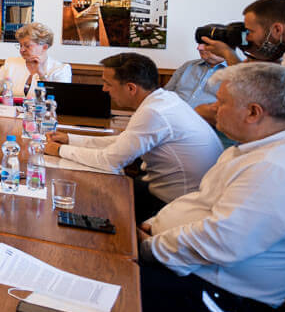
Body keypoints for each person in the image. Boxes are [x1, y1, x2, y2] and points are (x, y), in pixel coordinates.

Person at [140, 63, 285, 312]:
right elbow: (202, 205)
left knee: (105, 280)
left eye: (222, 101)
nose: (214, 108)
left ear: (253, 112)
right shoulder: (256, 150)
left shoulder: (279, 169)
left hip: (223, 294)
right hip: (191, 265)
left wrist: (147, 247)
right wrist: (154, 225)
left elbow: (220, 243)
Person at [45, 52, 222, 213]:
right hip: (176, 193)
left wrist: (59, 150)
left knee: (85, 199)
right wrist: (69, 139)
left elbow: (110, 162)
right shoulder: (164, 100)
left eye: (108, 84)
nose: (104, 89)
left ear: (131, 88)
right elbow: (123, 142)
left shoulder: (154, 112)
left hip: (173, 204)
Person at [0, 21, 72, 100]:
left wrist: (41, 74)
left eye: (27, 46)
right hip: (11, 115)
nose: (22, 50)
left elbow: (58, 100)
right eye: (20, 45)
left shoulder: (61, 69)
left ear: (44, 47)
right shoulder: (11, 63)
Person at [166, 40, 230, 109]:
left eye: (206, 44)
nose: (199, 48)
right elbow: (166, 93)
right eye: (199, 43)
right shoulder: (188, 65)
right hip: (172, 112)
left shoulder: (235, 73)